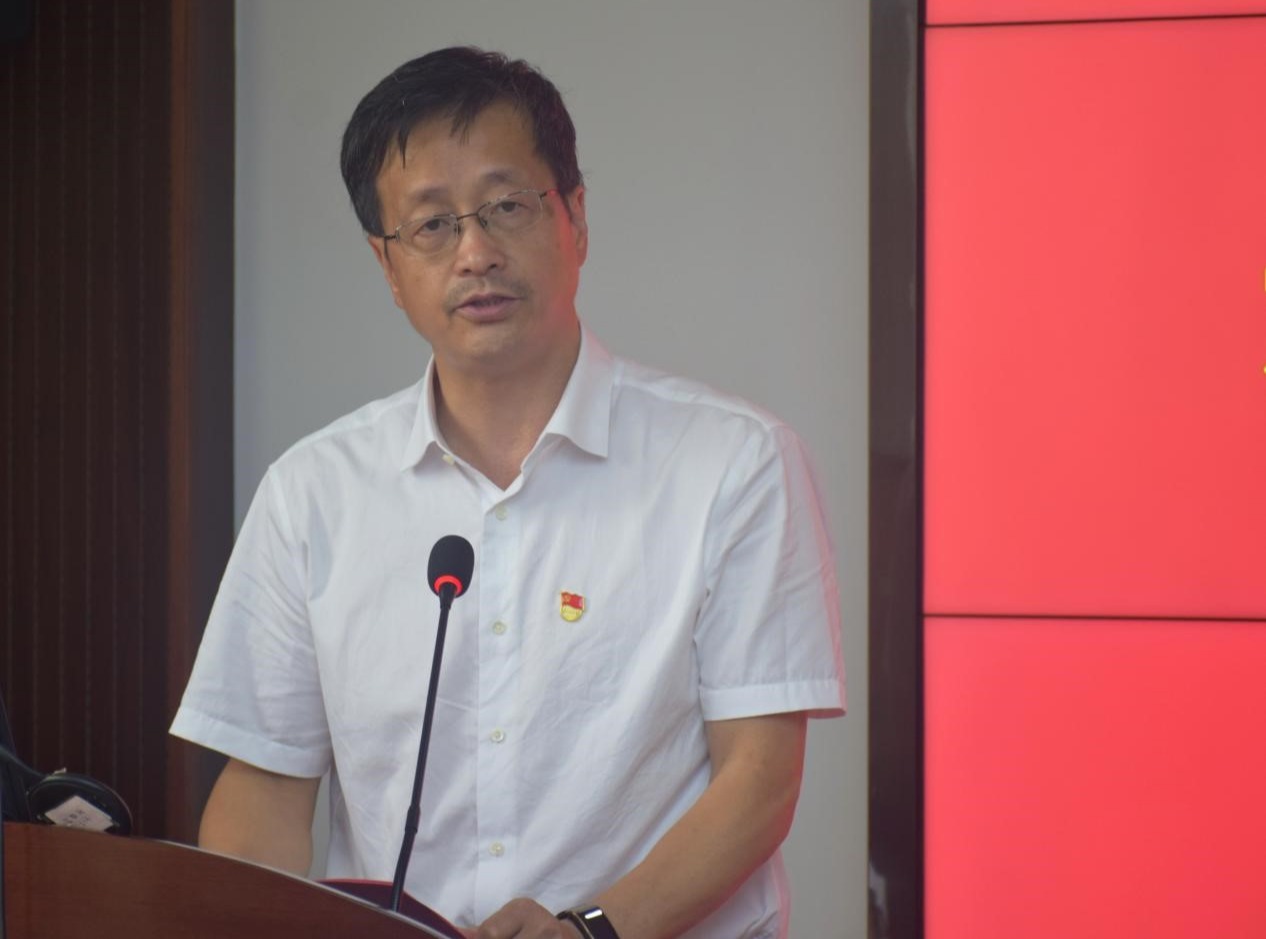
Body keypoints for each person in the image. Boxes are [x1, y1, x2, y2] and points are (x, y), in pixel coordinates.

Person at [171, 47, 845, 939]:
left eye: (507, 207)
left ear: (575, 219)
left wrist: (588, 929)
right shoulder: (312, 493)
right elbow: (263, 790)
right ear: (387, 265)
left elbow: (759, 779)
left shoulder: (734, 462)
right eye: (432, 225)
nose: (476, 253)